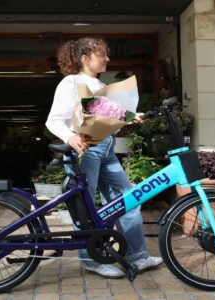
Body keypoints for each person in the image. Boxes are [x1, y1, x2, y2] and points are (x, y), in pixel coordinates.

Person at [46, 37, 163, 279]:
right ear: (85, 58)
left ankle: (137, 256)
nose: (108, 59)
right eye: (102, 55)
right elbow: (54, 119)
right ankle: (91, 260)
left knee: (128, 199)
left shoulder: (97, 83)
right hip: (86, 149)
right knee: (86, 209)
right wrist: (70, 138)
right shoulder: (71, 82)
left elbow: (103, 115)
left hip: (106, 147)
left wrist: (130, 116)